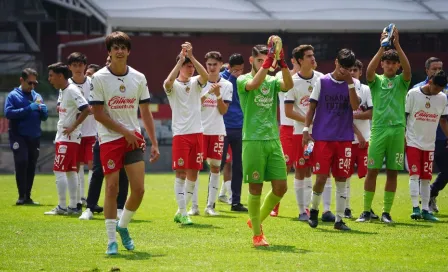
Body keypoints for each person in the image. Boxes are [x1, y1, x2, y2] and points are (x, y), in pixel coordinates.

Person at [90, 31, 159, 255]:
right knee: (112, 188)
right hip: (110, 139)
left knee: (138, 190)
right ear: (109, 51)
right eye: (115, 47)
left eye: (123, 47)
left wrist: (154, 142)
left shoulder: (139, 77)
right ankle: (111, 241)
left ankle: (122, 226)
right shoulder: (99, 78)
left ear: (128, 51)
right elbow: (98, 114)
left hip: (134, 139)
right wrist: (124, 132)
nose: (119, 51)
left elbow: (146, 113)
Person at [239, 39, 293, 247]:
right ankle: (257, 235)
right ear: (252, 60)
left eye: (267, 59)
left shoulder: (272, 81)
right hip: (253, 140)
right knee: (256, 188)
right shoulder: (242, 79)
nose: (265, 63)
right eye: (260, 60)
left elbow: (288, 85)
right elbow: (254, 85)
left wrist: (283, 63)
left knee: (281, 187)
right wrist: (269, 61)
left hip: (273, 139)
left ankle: (255, 220)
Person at [357, 27, 411, 224]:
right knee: (372, 170)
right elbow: (369, 71)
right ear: (383, 65)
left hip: (397, 130)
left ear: (397, 66)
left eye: (393, 63)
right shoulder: (376, 81)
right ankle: (365, 211)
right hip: (378, 129)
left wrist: (397, 45)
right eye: (386, 63)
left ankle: (386, 212)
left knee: (392, 172)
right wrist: (382, 48)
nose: (389, 66)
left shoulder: (401, 82)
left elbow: (408, 70)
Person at [303, 48, 359, 231]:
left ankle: (339, 220)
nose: (345, 71)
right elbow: (311, 108)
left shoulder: (354, 83)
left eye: (349, 68)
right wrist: (306, 129)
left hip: (344, 138)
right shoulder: (322, 81)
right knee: (320, 178)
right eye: (343, 66)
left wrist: (350, 83)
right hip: (323, 137)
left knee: (342, 178)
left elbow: (355, 106)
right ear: (336, 62)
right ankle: (313, 211)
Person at [163, 42, 208, 225]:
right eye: (187, 66)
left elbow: (205, 76)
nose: (190, 69)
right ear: (180, 66)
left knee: (194, 175)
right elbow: (167, 83)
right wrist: (180, 59)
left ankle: (182, 211)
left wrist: (192, 56)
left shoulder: (196, 83)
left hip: (198, 133)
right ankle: (183, 212)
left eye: (191, 66)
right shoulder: (173, 87)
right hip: (181, 135)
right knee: (181, 174)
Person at [79, 60, 130, 221]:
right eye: (88, 75)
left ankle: (120, 208)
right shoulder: (94, 89)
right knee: (97, 172)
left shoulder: (116, 85)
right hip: (101, 137)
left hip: (120, 137)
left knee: (122, 173)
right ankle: (89, 207)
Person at [189, 51, 233, 216]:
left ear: (221, 65)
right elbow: (194, 106)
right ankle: (194, 207)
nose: (212, 68)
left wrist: (218, 95)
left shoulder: (227, 85)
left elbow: (223, 111)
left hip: (217, 131)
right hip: (198, 130)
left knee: (215, 168)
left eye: (215, 64)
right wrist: (208, 92)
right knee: (194, 169)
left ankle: (210, 207)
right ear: (205, 65)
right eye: (209, 64)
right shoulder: (197, 82)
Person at [44, 62, 90, 215]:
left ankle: (62, 206)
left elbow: (86, 109)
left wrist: (73, 126)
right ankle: (73, 206)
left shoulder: (71, 90)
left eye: (51, 76)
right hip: (66, 137)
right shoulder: (64, 90)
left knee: (59, 170)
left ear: (60, 76)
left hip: (68, 137)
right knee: (71, 171)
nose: (49, 79)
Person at [284, 45, 323, 221]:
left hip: (320, 134)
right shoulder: (291, 82)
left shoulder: (322, 79)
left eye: (313, 55)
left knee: (316, 170)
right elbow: (288, 111)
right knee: (301, 169)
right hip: (301, 134)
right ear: (300, 60)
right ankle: (302, 211)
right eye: (308, 56)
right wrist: (308, 121)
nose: (313, 58)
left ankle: (321, 209)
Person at [406, 70, 448, 221]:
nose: (437, 92)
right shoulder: (413, 94)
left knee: (426, 177)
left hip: (429, 143)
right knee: (414, 174)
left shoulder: (442, 98)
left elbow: (443, 119)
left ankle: (425, 209)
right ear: (430, 82)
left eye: (440, 90)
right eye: (436, 88)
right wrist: (404, 138)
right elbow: (405, 115)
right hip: (413, 141)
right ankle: (415, 208)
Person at [4, 68, 48, 205]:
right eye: (30, 83)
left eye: (35, 83)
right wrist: (29, 109)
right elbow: (9, 113)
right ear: (21, 80)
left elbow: (44, 117)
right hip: (19, 135)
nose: (32, 86)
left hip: (34, 135)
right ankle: (21, 196)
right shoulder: (13, 95)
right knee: (22, 162)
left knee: (31, 164)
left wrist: (44, 112)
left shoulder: (37, 96)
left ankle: (28, 196)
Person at [269, 46, 300, 217]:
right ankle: (275, 205)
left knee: (305, 168)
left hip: (305, 128)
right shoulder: (281, 76)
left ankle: (305, 207)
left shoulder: (314, 79)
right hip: (287, 127)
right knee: (284, 167)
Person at [345, 60, 378, 219]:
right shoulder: (341, 88)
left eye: (355, 70)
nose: (352, 73)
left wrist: (354, 116)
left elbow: (372, 113)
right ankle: (346, 208)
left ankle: (368, 208)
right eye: (349, 70)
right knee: (344, 176)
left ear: (360, 72)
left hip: (365, 140)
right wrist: (356, 132)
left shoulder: (366, 89)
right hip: (346, 140)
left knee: (368, 174)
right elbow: (342, 118)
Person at [66, 52, 97, 208]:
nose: (78, 68)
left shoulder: (92, 82)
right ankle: (78, 200)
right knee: (77, 166)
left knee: (92, 165)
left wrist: (92, 109)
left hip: (92, 131)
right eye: (75, 65)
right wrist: (83, 110)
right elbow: (61, 106)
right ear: (70, 67)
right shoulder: (67, 85)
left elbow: (98, 103)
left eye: (81, 65)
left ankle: (90, 200)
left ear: (85, 66)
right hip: (75, 132)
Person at [220, 53, 248, 212]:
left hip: (239, 127)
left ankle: (235, 202)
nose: (239, 73)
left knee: (238, 166)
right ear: (228, 67)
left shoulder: (242, 80)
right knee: (218, 165)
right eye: (236, 70)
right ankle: (212, 202)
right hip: (222, 127)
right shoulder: (222, 79)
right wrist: (232, 77)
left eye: (242, 69)